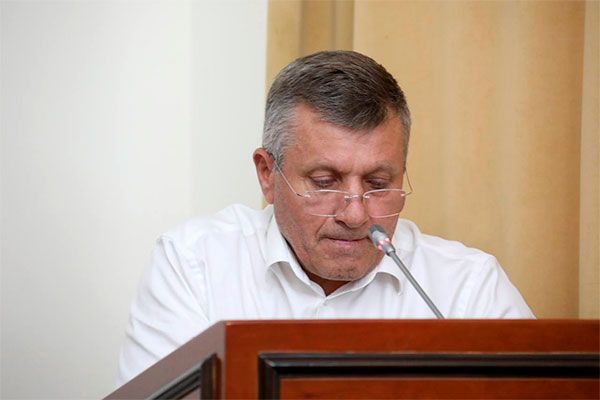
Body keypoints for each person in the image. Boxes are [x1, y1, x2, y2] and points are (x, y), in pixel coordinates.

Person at [116, 50, 533, 387]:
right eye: (325, 181)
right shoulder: (194, 265)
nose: (355, 214)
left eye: (378, 183)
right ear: (267, 174)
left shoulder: (467, 287)